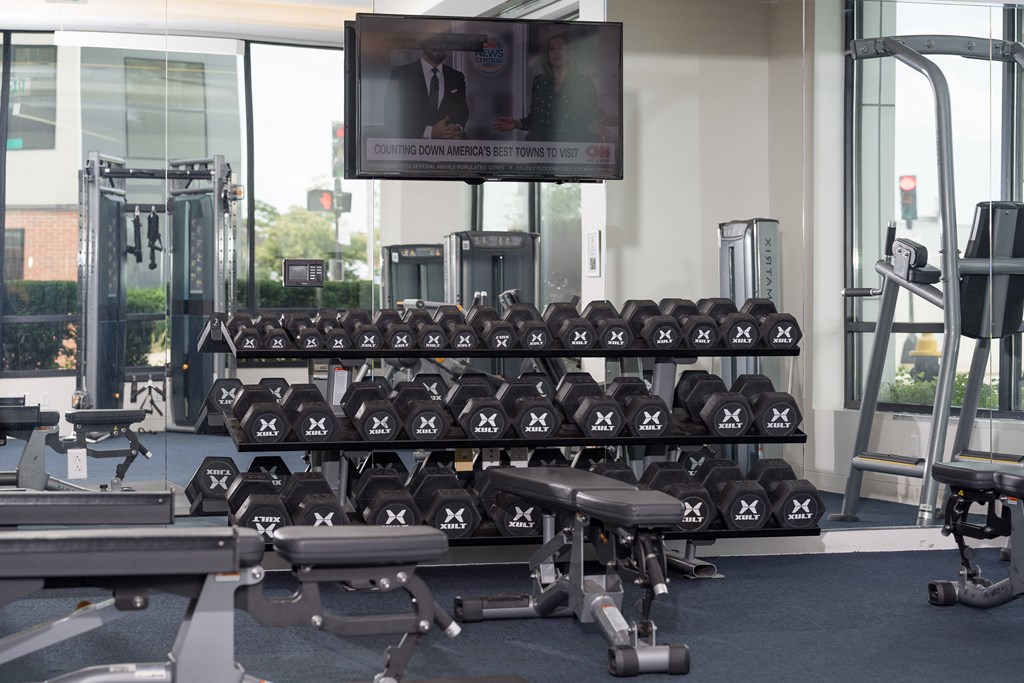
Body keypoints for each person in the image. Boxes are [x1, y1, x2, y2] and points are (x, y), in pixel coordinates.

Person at [494, 34, 603, 143]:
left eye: (560, 47)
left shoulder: (584, 82)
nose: (556, 52)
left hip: (573, 147)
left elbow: (591, 118)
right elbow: (535, 119)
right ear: (547, 56)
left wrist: (594, 127)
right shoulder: (539, 81)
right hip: (542, 147)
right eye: (551, 49)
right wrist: (517, 123)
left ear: (570, 53)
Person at [383, 47, 468, 140]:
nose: (438, 46)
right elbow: (391, 117)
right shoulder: (401, 74)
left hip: (450, 149)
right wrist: (430, 132)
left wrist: (457, 129)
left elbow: (462, 112)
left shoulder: (457, 77)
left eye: (443, 43)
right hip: (411, 149)